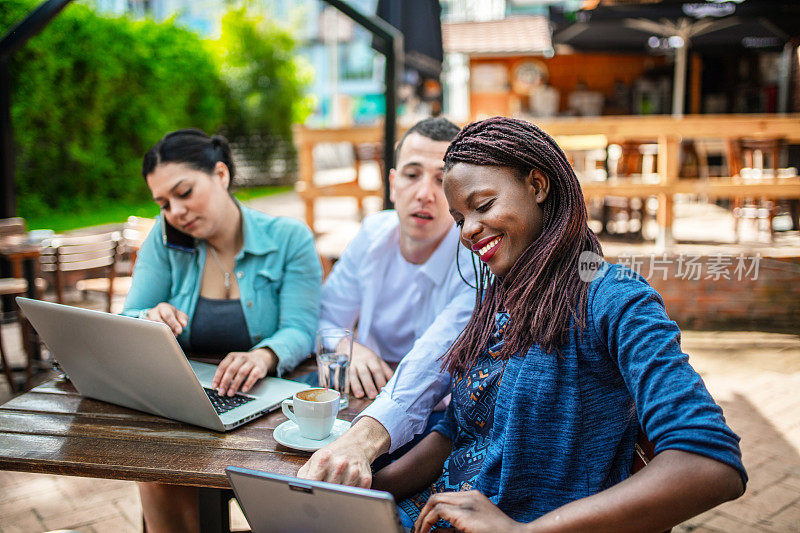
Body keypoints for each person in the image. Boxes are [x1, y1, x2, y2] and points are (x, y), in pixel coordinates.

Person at [368, 117, 746, 532]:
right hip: (426, 512)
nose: (468, 231)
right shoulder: (501, 292)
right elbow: (457, 428)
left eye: (483, 205)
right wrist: (369, 489)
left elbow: (711, 463)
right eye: (460, 219)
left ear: (537, 185)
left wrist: (522, 532)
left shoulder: (613, 297)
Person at [122, 129, 321, 532]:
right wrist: (149, 317)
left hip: (265, 409)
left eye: (184, 192)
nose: (175, 211)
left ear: (221, 174)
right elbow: (126, 319)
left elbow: (301, 328)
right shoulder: (164, 243)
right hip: (185, 407)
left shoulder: (288, 239)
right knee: (156, 472)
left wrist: (263, 356)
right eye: (164, 203)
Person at [299, 117, 475, 484]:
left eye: (442, 181)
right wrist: (353, 348)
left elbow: (435, 361)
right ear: (393, 184)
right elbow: (327, 314)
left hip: (436, 417)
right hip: (362, 394)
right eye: (412, 175)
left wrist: (363, 441)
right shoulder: (373, 232)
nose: (425, 193)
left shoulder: (473, 260)